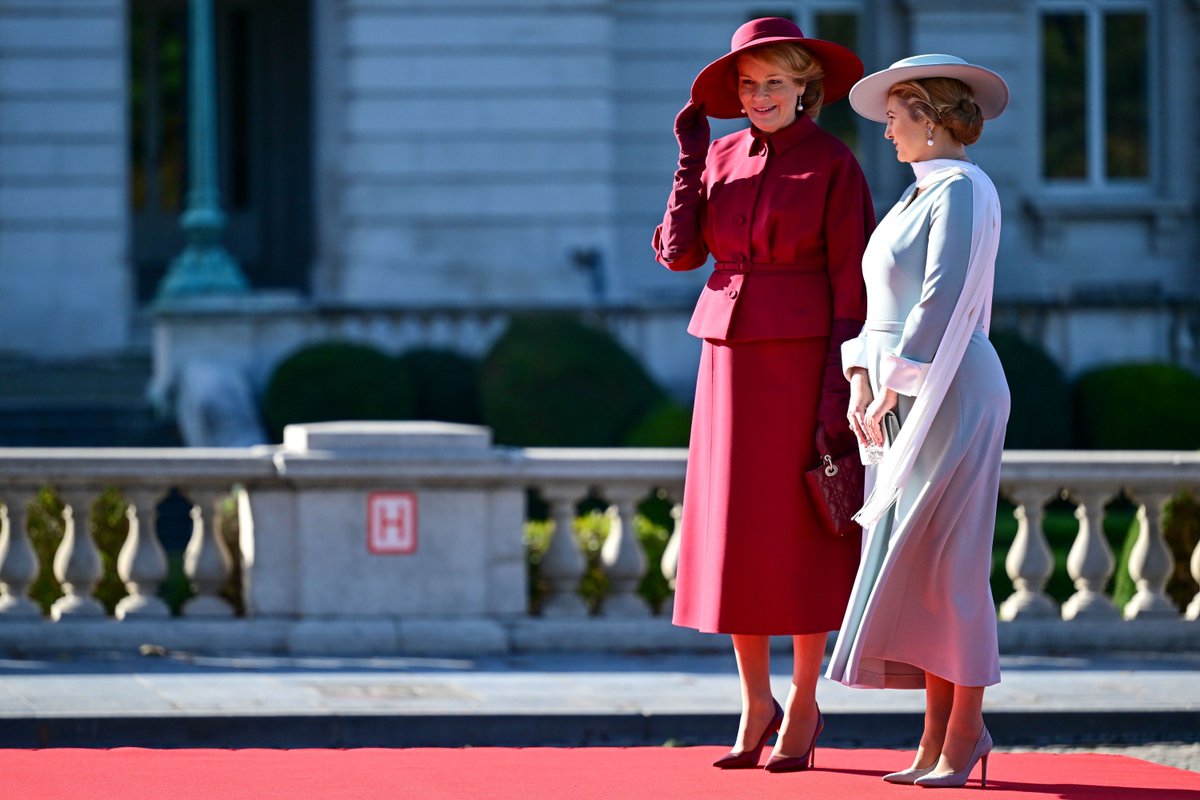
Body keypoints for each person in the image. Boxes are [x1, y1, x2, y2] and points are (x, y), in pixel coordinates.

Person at [652, 17, 874, 772]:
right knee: (739, 536)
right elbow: (680, 253)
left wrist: (837, 391)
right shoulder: (717, 154)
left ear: (806, 87)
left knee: (803, 537)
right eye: (747, 85)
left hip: (805, 359)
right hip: (728, 361)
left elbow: (854, 290)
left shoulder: (836, 164)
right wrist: (687, 159)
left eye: (774, 82)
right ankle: (755, 702)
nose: (759, 96)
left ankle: (805, 701)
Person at [824, 54, 1011, 789]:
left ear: (933, 119)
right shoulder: (915, 196)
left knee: (953, 565)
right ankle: (937, 736)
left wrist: (889, 383)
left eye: (899, 118)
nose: (888, 132)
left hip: (952, 389)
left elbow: (940, 297)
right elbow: (882, 311)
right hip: (908, 392)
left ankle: (964, 733)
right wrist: (861, 380)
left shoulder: (961, 187)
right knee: (922, 565)